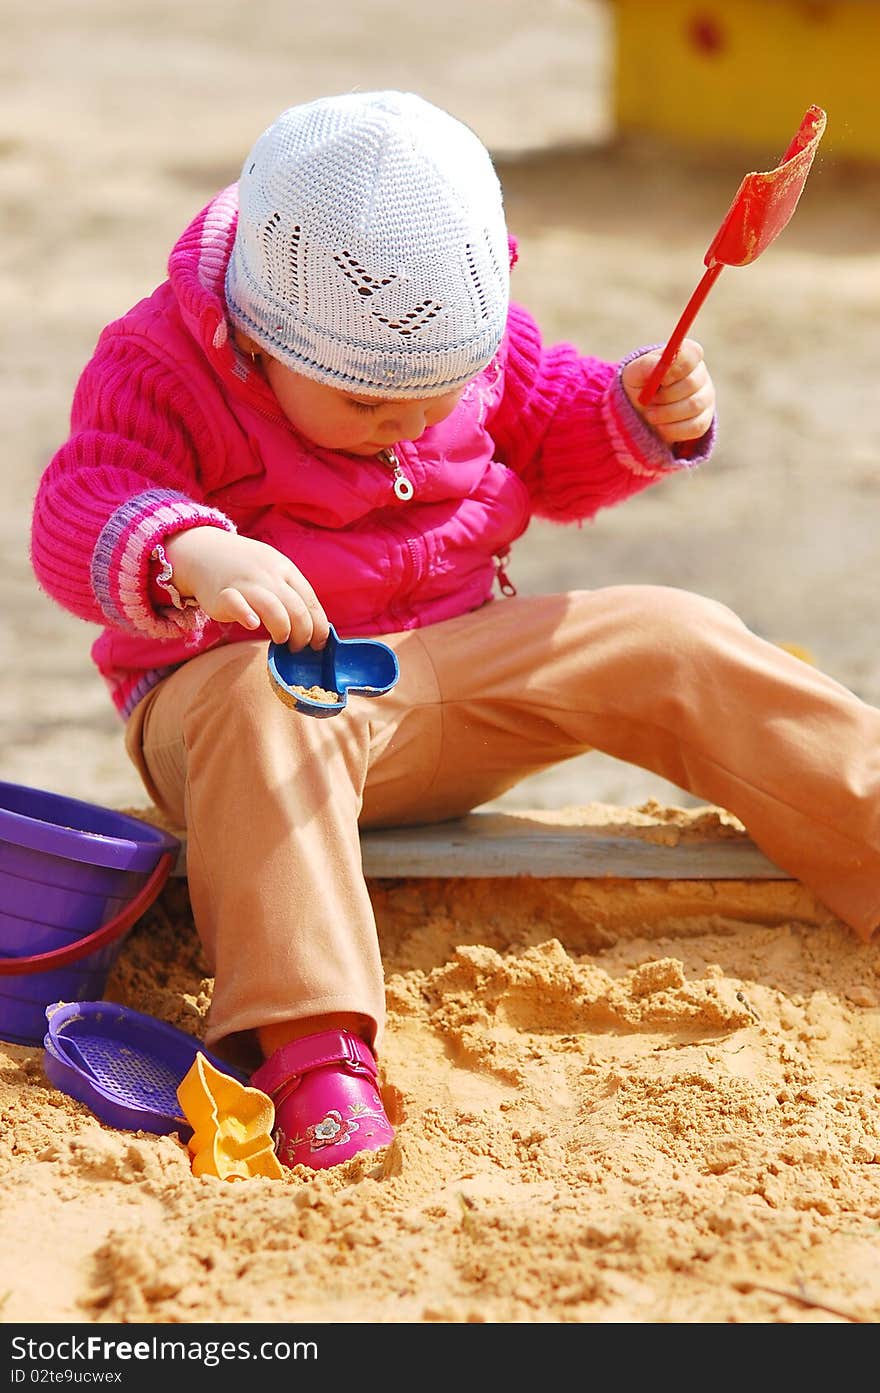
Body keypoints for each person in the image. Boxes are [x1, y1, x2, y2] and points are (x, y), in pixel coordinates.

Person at [30, 90, 880, 1173]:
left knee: (669, 630)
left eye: (437, 401)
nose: (413, 426)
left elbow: (554, 441)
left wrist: (635, 410)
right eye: (372, 410)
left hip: (459, 669)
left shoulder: (471, 350)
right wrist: (188, 548)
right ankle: (311, 1049)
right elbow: (79, 505)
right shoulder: (160, 362)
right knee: (257, 697)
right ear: (252, 336)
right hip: (249, 716)